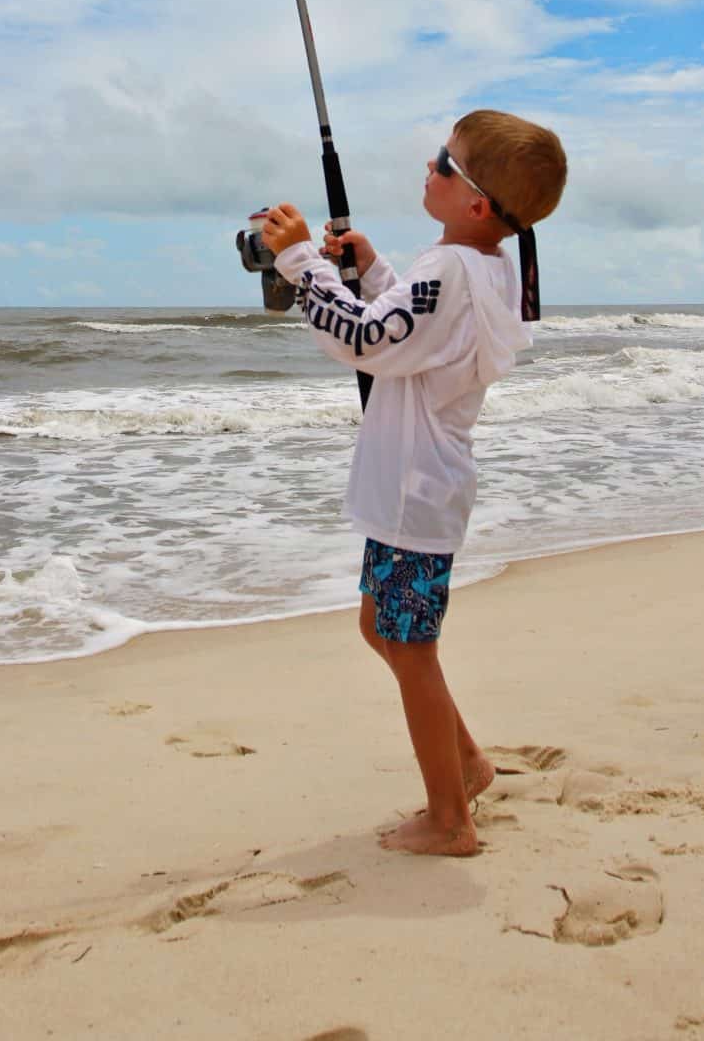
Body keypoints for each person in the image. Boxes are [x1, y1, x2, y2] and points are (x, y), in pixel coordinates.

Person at [261, 109, 567, 857]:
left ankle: (451, 820)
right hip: (423, 483)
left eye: (443, 162)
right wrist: (373, 267)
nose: (429, 167)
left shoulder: (452, 267)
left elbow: (364, 339)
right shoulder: (488, 261)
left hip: (414, 490)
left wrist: (304, 262)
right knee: (384, 630)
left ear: (473, 203)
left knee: (411, 650)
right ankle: (466, 763)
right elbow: (415, 325)